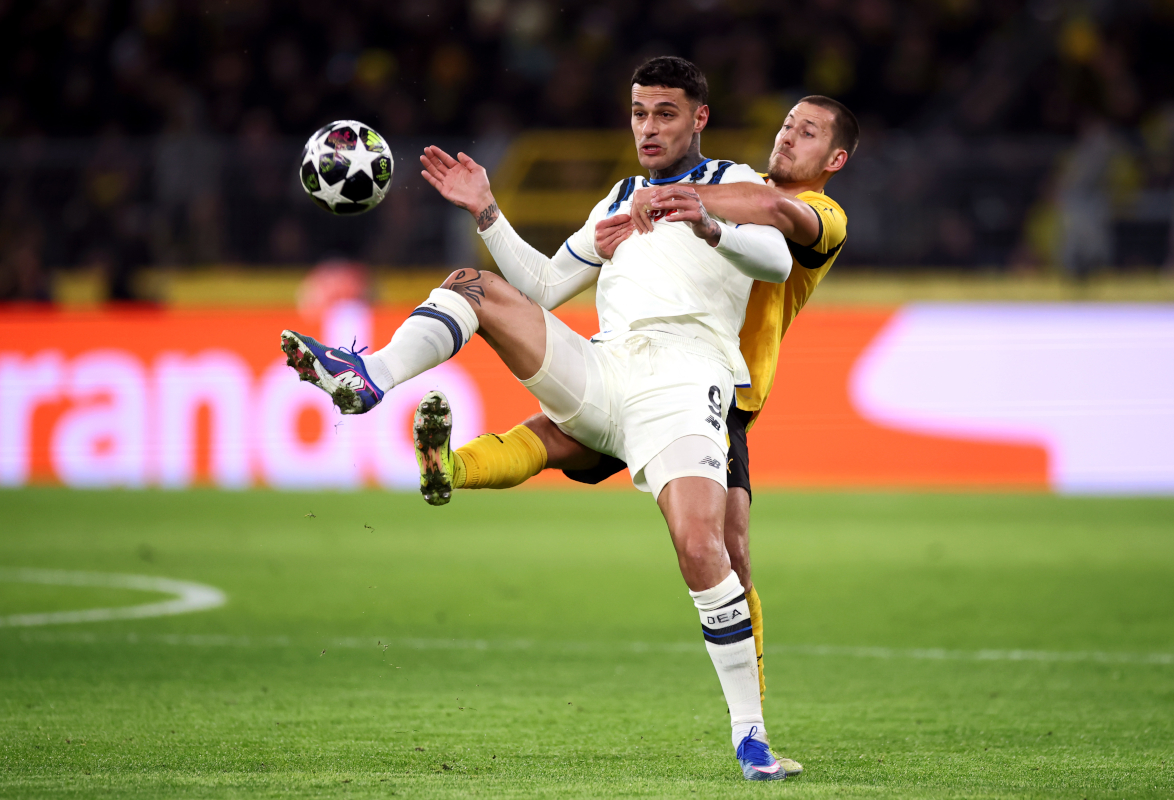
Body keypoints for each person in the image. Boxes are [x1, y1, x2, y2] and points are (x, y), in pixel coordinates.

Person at [281, 56, 795, 780]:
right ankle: (370, 377)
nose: (648, 127)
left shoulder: (731, 183)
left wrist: (708, 223)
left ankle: (750, 736)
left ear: (699, 117)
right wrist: (487, 211)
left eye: (665, 113)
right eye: (639, 113)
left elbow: (776, 261)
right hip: (605, 370)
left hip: (684, 379)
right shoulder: (620, 196)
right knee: (474, 285)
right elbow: (547, 285)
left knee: (700, 548)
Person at [417, 95, 856, 769]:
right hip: (646, 368)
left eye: (809, 132)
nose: (789, 136)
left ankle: (754, 721)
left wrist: (678, 195)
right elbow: (551, 280)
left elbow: (773, 212)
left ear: (835, 159)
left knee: (722, 549)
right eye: (788, 124)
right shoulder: (725, 181)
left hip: (719, 392)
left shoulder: (817, 212)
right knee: (562, 440)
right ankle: (753, 731)